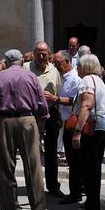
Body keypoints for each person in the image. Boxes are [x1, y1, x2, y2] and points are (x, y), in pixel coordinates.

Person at [0, 49, 48, 210]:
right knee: (33, 166)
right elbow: (41, 104)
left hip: (4, 122)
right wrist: (41, 122)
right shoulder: (31, 77)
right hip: (28, 120)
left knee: (6, 168)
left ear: (6, 62)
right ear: (22, 61)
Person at [23, 41, 64, 198]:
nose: (41, 56)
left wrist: (54, 98)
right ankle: (33, 186)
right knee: (31, 152)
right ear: (33, 53)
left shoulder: (54, 70)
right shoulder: (26, 68)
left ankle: (53, 186)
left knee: (52, 152)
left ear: (49, 54)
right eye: (38, 53)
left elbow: (58, 92)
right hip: (31, 114)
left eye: (44, 53)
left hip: (50, 114)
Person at [71, 54, 105, 210]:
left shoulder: (87, 80)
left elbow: (87, 105)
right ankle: (92, 202)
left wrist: (77, 131)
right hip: (102, 126)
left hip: (92, 127)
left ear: (85, 67)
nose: (77, 68)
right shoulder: (99, 80)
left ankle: (93, 206)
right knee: (94, 167)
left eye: (79, 66)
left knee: (90, 168)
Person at [49, 51, 82, 204]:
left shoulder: (75, 79)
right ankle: (78, 189)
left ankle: (76, 192)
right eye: (54, 63)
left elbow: (76, 101)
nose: (55, 65)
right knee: (72, 159)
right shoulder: (61, 77)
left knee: (74, 161)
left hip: (72, 122)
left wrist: (55, 99)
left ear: (67, 61)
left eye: (57, 63)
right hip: (63, 121)